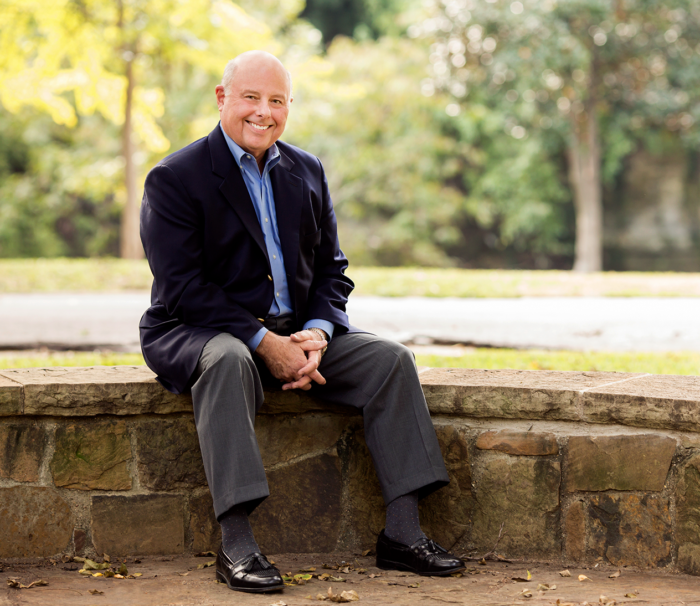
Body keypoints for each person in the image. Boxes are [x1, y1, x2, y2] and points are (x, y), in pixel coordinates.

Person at [139, 50, 465, 594]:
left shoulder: (306, 170)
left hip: (296, 331)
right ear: (222, 98)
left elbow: (332, 269)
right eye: (251, 98)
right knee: (227, 358)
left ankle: (403, 534)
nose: (263, 113)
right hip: (194, 330)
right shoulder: (175, 178)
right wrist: (266, 341)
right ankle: (238, 546)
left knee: (390, 360)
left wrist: (318, 331)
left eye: (277, 101)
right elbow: (184, 289)